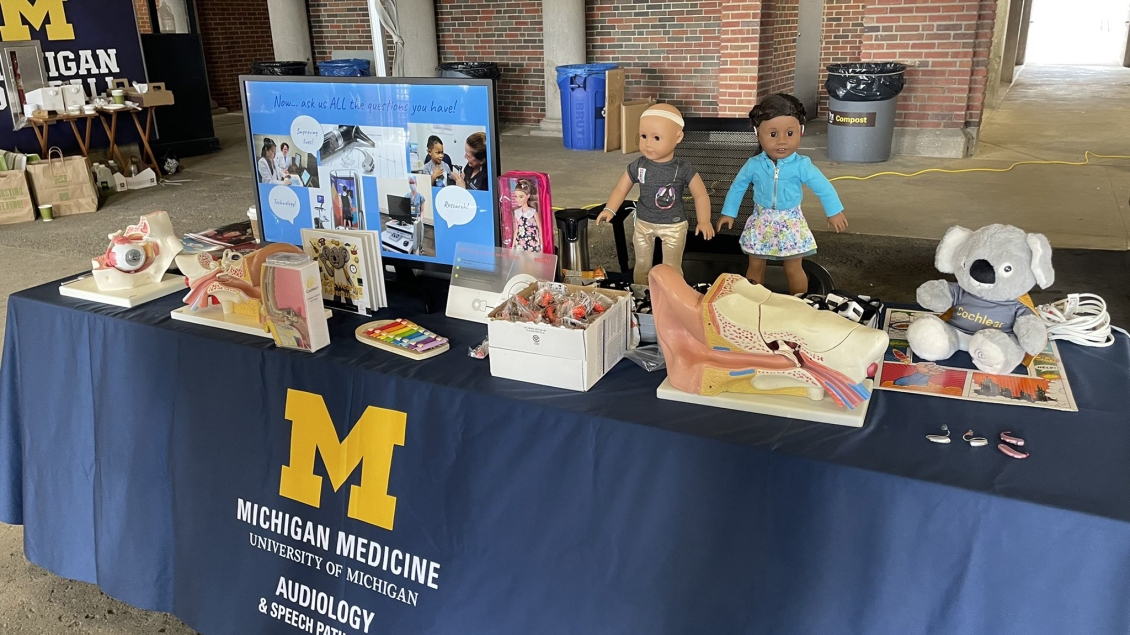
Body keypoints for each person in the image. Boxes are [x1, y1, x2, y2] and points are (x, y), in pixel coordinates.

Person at [717, 93, 847, 296]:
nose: (781, 141)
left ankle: (801, 302)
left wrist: (834, 211)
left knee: (793, 267)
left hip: (791, 222)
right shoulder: (754, 164)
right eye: (772, 134)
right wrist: (729, 213)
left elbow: (823, 187)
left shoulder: (802, 165)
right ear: (757, 134)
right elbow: (738, 187)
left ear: (801, 131)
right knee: (756, 265)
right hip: (761, 221)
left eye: (789, 133)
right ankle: (753, 299)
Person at [596, 104, 713, 285]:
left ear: (678, 137)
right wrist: (610, 208)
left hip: (673, 226)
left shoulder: (683, 169)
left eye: (656, 137)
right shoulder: (639, 165)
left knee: (672, 267)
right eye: (643, 136)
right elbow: (621, 188)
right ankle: (642, 295)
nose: (648, 143)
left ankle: (672, 295)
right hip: (643, 223)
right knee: (642, 265)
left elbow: (701, 195)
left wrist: (704, 220)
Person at [511, 178, 541, 253]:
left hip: (533, 242)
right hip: (520, 243)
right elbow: (516, 230)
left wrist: (541, 244)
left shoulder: (533, 212)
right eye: (516, 196)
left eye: (521, 197)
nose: (517, 199)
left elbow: (540, 229)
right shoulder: (517, 213)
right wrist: (513, 246)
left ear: (528, 196)